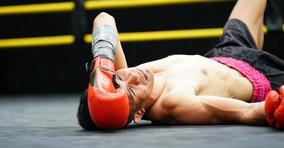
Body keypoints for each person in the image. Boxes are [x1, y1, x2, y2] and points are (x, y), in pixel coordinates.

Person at [78, 0, 284, 130]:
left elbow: (104, 19)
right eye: (131, 92)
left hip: (227, 51)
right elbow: (244, 112)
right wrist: (272, 109)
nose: (133, 76)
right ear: (139, 113)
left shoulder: (130, 76)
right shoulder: (173, 104)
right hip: (263, 79)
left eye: (117, 77)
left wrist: (103, 64)